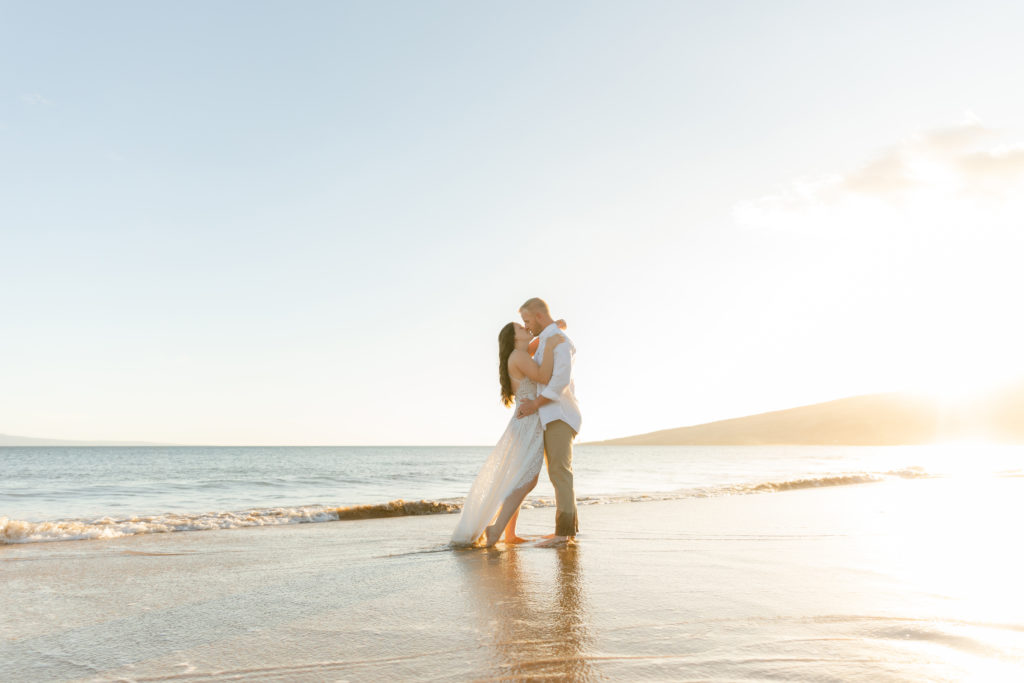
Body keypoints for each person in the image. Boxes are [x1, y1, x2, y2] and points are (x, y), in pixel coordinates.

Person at [451, 318, 567, 548]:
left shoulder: (520, 354)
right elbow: (544, 376)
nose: (526, 328)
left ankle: (509, 533)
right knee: (528, 479)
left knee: (520, 478)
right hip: (527, 423)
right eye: (520, 328)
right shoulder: (519, 357)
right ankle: (496, 529)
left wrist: (555, 328)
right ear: (514, 339)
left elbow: (537, 344)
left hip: (525, 421)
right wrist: (554, 344)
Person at [515, 297, 581, 547]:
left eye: (528, 321)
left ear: (540, 317)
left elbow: (559, 381)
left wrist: (534, 404)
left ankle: (563, 535)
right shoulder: (548, 338)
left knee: (559, 473)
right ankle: (567, 532)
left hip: (560, 415)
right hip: (550, 416)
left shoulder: (560, 342)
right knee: (558, 473)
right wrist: (557, 324)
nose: (527, 326)